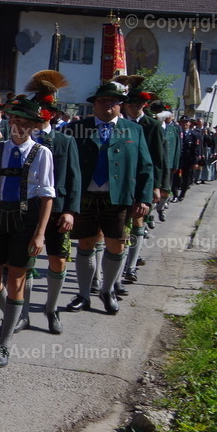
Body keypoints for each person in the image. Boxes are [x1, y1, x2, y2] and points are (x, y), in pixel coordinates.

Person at [64, 82, 153, 315]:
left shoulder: (133, 130)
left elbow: (146, 166)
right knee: (85, 244)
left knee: (117, 244)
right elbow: (65, 166)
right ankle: (83, 294)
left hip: (118, 198)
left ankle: (107, 290)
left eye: (113, 101)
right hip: (85, 197)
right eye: (102, 101)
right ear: (94, 105)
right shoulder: (76, 129)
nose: (107, 105)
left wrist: (144, 199)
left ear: (119, 105)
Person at [0, 95, 55, 367]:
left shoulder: (42, 153)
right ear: (9, 121)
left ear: (34, 126)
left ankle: (4, 343)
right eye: (16, 121)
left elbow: (47, 194)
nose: (19, 127)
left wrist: (40, 233)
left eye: (25, 123)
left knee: (15, 281)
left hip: (26, 218)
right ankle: (16, 315)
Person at [24, 71, 81, 335]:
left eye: (46, 110)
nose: (41, 113)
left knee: (58, 261)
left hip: (57, 211)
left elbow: (74, 177)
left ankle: (51, 308)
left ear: (54, 114)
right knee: (23, 262)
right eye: (37, 109)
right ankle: (21, 312)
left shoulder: (65, 141)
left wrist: (70, 210)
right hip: (25, 209)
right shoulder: (19, 141)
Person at [120, 79, 164, 284]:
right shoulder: (118, 122)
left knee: (139, 220)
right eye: (131, 104)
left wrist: (157, 186)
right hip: (120, 179)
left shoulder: (152, 125)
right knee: (117, 225)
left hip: (143, 180)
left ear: (143, 106)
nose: (134, 108)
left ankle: (131, 266)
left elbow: (158, 158)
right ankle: (113, 267)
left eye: (138, 105)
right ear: (125, 105)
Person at [152, 105, 181, 221]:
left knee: (166, 190)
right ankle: (149, 216)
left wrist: (176, 164)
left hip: (168, 165)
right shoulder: (152, 126)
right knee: (152, 192)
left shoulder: (173, 130)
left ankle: (160, 208)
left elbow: (177, 148)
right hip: (153, 164)